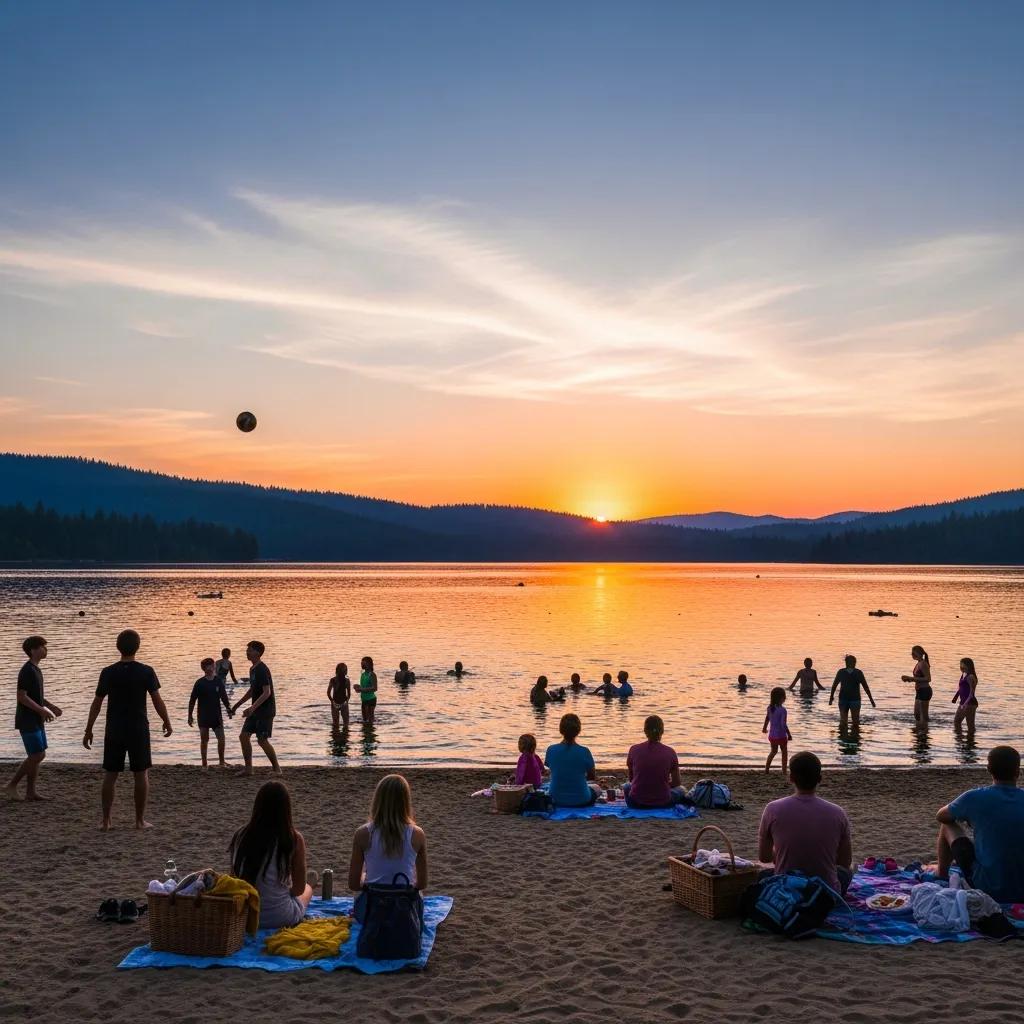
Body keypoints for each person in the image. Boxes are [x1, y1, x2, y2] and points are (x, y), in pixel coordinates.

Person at [82, 629, 173, 830]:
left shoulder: (108, 672)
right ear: (138, 647)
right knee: (141, 774)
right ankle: (139, 821)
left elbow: (96, 703)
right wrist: (166, 720)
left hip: (114, 728)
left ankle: (106, 821)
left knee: (110, 774)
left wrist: (88, 729)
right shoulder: (146, 671)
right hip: (138, 728)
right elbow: (157, 700)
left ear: (118, 647)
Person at [935, 745, 1024, 903]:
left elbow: (941, 816)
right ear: (1018, 771)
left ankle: (941, 874)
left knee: (947, 825)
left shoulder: (974, 797)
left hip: (988, 887)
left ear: (988, 769)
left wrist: (970, 818)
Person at [757, 750, 853, 895]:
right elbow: (844, 863)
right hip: (826, 895)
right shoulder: (838, 813)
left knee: (762, 874)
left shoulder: (772, 809)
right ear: (819, 779)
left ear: (791, 778)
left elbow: (764, 858)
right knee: (850, 870)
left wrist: (780, 852)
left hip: (786, 892)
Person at [229, 780, 313, 928]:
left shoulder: (240, 835)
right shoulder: (292, 838)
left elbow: (234, 877)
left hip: (245, 916)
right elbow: (299, 889)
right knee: (307, 888)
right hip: (280, 917)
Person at [348, 774, 428, 891]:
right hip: (404, 906)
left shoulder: (362, 833)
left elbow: (353, 885)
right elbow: (422, 884)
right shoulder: (417, 834)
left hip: (373, 905)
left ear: (378, 800)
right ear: (405, 801)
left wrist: (365, 878)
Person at [6, 635, 62, 801]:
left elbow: (36, 696)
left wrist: (50, 707)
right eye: (42, 646)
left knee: (39, 754)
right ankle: (11, 785)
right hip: (27, 720)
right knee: (36, 755)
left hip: (36, 718)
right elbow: (22, 696)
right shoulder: (27, 671)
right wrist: (41, 711)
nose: (46, 649)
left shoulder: (36, 669)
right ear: (32, 650)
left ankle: (31, 792)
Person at [230, 640, 280, 776]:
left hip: (266, 710)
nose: (247, 652)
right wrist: (237, 704)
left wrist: (252, 708)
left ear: (257, 653)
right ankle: (248, 769)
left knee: (262, 740)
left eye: (250, 650)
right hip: (256, 710)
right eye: (247, 650)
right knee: (244, 736)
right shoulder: (252, 669)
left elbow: (266, 692)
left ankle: (277, 769)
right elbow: (253, 690)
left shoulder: (262, 669)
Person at [623, 715, 687, 808]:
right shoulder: (670, 752)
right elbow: (677, 783)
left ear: (645, 731)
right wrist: (662, 785)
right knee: (681, 790)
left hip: (635, 803)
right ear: (662, 731)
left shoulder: (633, 749)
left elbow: (632, 780)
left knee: (626, 786)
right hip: (663, 803)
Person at [544, 713, 601, 807]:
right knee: (597, 788)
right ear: (578, 730)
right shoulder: (584, 751)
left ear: (561, 730)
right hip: (581, 799)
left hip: (555, 798)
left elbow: (553, 770)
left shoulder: (551, 749)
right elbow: (591, 777)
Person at [188, 657, 233, 769]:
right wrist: (190, 716)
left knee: (221, 738)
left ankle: (221, 762)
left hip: (216, 716)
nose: (214, 667)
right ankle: (204, 764)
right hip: (203, 716)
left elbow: (224, 697)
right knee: (204, 740)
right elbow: (192, 700)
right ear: (204, 668)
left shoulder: (218, 681)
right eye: (211, 665)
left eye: (213, 665)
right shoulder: (199, 683)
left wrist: (229, 709)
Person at [830, 654, 876, 732]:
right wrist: (831, 697)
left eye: (854, 662)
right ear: (848, 663)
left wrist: (871, 700)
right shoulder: (847, 672)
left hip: (852, 700)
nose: (854, 663)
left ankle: (846, 737)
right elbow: (834, 685)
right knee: (848, 721)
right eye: (853, 662)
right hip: (848, 700)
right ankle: (852, 737)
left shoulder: (855, 672)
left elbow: (865, 687)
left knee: (849, 722)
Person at [901, 645, 932, 728]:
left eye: (913, 653)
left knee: (923, 716)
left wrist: (911, 678)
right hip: (919, 691)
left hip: (925, 690)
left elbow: (928, 679)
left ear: (919, 653)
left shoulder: (923, 664)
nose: (912, 655)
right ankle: (919, 731)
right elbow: (919, 678)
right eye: (912, 653)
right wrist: (909, 679)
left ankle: (924, 734)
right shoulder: (918, 663)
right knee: (917, 715)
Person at [763, 687, 792, 773]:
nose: (785, 698)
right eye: (784, 697)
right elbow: (783, 724)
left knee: (773, 752)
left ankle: (766, 769)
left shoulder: (769, 708)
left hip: (772, 736)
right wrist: (789, 734)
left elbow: (767, 718)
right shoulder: (783, 710)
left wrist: (764, 728)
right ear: (781, 698)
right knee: (784, 753)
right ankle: (784, 771)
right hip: (781, 736)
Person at [952, 657, 979, 731]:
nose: (961, 667)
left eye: (963, 665)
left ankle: (969, 741)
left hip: (969, 703)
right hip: (963, 702)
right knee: (957, 722)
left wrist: (964, 704)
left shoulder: (970, 677)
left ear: (968, 666)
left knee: (969, 725)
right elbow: (961, 688)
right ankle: (962, 740)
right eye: (960, 665)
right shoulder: (963, 675)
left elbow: (971, 693)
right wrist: (955, 698)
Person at [354, 655, 378, 725]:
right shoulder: (363, 674)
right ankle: (366, 733)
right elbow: (363, 687)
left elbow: (375, 688)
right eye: (361, 663)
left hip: (371, 699)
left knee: (369, 720)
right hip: (364, 699)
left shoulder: (372, 674)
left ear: (369, 664)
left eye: (364, 663)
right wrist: (358, 687)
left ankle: (370, 733)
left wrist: (361, 689)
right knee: (364, 719)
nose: (362, 665)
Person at [327, 662, 351, 731]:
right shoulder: (346, 680)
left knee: (336, 725)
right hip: (342, 703)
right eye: (346, 670)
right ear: (343, 671)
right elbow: (349, 694)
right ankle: (343, 737)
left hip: (337, 703)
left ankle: (336, 737)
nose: (347, 671)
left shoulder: (334, 680)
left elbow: (328, 693)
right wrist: (346, 702)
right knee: (345, 724)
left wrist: (332, 701)